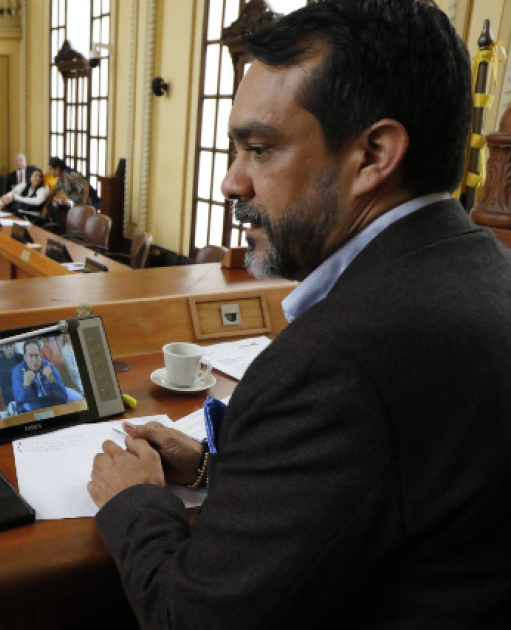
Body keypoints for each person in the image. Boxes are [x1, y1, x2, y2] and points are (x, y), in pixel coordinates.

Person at [88, 1, 511, 628]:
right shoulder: (485, 268)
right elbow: (385, 489)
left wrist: (138, 501)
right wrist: (215, 467)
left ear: (373, 155)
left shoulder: (333, 363)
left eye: (259, 149)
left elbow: (194, 617)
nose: (233, 183)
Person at [11, 341, 70, 413]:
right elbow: (21, 405)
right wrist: (26, 386)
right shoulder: (17, 372)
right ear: (25, 357)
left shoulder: (49, 366)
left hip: (52, 407)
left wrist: (52, 380)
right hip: (33, 412)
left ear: (40, 355)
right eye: (30, 356)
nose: (34, 360)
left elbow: (64, 397)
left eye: (36, 355)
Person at [44, 157, 89, 222]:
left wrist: (84, 204)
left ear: (57, 169)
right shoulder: (60, 180)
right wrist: (45, 207)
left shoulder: (71, 175)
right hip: (76, 206)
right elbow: (52, 194)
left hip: (85, 208)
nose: (49, 172)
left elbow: (86, 186)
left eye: (50, 169)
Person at [0, 343, 24, 409]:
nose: (9, 349)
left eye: (11, 346)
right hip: (9, 390)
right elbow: (3, 384)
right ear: (2, 349)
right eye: (6, 347)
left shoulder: (20, 357)